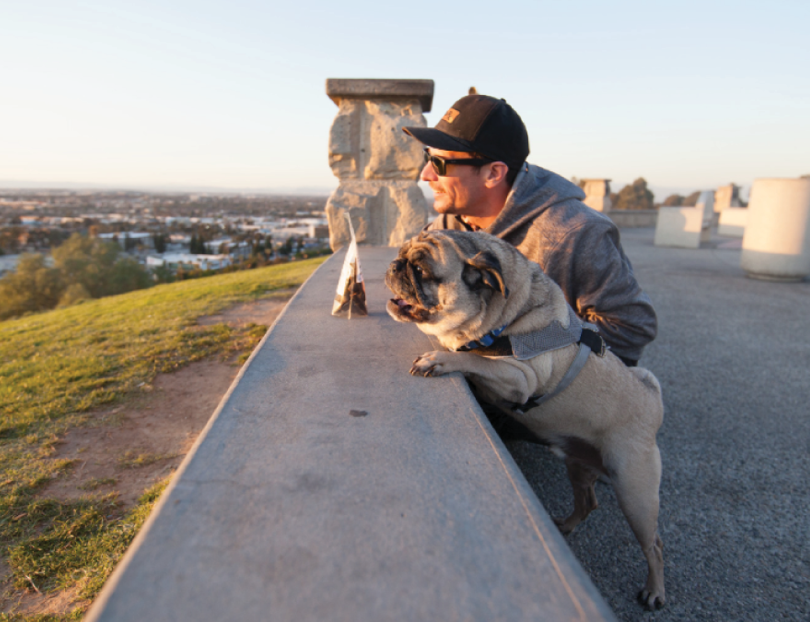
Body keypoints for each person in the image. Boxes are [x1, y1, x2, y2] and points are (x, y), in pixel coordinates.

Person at [403, 93, 656, 366]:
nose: (426, 174)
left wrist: (513, 346)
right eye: (428, 157)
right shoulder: (451, 223)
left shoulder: (573, 233)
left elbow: (631, 329)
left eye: (440, 164)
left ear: (493, 173)